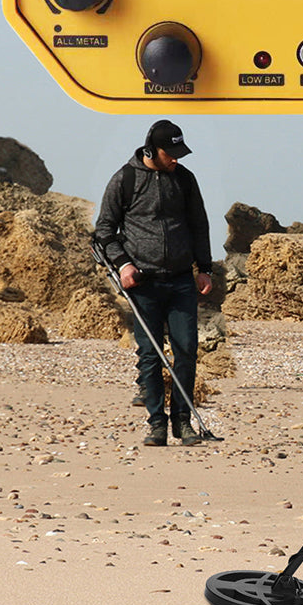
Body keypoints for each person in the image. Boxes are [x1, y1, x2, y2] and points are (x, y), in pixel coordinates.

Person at [95, 120, 213, 447]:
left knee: (186, 350)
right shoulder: (126, 179)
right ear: (151, 150)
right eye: (170, 153)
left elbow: (198, 225)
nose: (176, 159)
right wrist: (124, 264)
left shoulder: (185, 180)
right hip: (142, 284)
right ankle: (156, 424)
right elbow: (104, 231)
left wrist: (204, 268)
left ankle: (183, 423)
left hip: (180, 282)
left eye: (179, 153)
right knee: (150, 354)